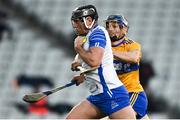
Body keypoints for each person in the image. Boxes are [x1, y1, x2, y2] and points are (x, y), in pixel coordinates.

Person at [66, 5, 135, 119]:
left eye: (78, 21)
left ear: (88, 20)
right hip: (98, 96)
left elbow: (94, 61)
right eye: (74, 21)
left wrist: (78, 48)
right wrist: (83, 76)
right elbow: (100, 64)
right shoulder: (88, 36)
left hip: (112, 94)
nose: (75, 25)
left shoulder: (98, 34)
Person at [105, 15, 149, 119]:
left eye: (114, 26)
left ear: (124, 29)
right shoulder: (102, 46)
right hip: (114, 95)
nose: (110, 29)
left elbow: (134, 57)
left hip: (132, 93)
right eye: (108, 26)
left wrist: (109, 52)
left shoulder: (132, 45)